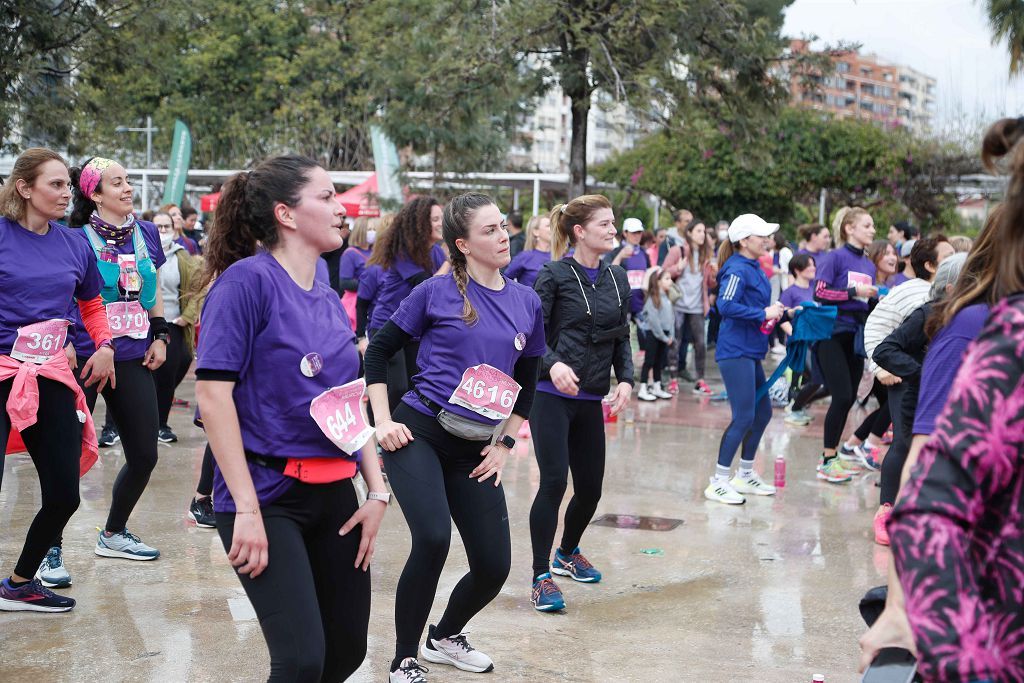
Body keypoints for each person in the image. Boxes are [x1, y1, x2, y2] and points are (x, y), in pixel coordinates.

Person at [194, 154, 387, 682]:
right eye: (325, 197)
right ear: (286, 213)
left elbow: (348, 403)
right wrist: (248, 512)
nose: (340, 207)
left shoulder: (327, 296)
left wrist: (376, 492)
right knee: (301, 661)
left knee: (344, 654)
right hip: (266, 496)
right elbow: (212, 399)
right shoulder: (245, 283)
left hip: (336, 498)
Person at [363, 193, 544, 682]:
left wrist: (504, 447)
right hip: (418, 432)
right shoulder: (434, 292)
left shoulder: (527, 302)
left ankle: (444, 635)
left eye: (503, 225)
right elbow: (377, 353)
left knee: (493, 564)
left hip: (476, 446)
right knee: (433, 538)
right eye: (489, 230)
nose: (503, 234)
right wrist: (382, 421)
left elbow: (526, 385)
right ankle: (403, 659)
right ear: (462, 244)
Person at [0, 148, 115, 609]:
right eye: (55, 185)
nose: (67, 193)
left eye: (68, 185)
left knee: (65, 492)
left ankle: (20, 582)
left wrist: (103, 345)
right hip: (2, 370)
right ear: (25, 188)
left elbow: (90, 302)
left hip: (49, 375)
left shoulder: (74, 244)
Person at [528, 194, 633, 613]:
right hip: (550, 395)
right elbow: (531, 334)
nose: (613, 229)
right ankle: (540, 576)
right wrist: (552, 365)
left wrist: (626, 379)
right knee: (554, 482)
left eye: (613, 223)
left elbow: (621, 335)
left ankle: (567, 551)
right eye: (605, 224)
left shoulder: (617, 278)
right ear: (580, 231)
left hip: (591, 396)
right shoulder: (553, 275)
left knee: (590, 489)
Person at [65, 157, 169, 561]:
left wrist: (159, 334)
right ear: (94, 195)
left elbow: (154, 285)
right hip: (86, 359)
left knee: (144, 454)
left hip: (132, 357)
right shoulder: (74, 239)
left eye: (128, 181)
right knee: (66, 459)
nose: (128, 189)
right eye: (117, 183)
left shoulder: (145, 232)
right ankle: (50, 548)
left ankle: (113, 532)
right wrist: (69, 344)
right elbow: (66, 295)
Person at [870, 251, 965, 545]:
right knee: (904, 444)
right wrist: (922, 373)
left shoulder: (967, 317)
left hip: (941, 394)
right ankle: (886, 511)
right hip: (912, 390)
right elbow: (884, 350)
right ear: (950, 288)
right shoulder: (927, 313)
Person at [703, 214, 785, 504]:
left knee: (762, 413)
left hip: (750, 349)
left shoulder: (753, 266)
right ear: (743, 241)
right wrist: (763, 313)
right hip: (735, 350)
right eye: (760, 235)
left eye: (766, 235)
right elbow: (725, 305)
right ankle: (719, 480)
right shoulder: (737, 268)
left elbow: (752, 305)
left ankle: (745, 474)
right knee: (744, 416)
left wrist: (778, 312)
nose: (766, 239)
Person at [361, 198, 449, 411]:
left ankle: (403, 431)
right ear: (419, 223)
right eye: (434, 219)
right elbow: (426, 285)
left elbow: (445, 289)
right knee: (397, 386)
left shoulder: (436, 253)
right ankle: (379, 427)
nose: (440, 223)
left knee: (413, 386)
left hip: (415, 330)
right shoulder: (403, 251)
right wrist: (450, 261)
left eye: (441, 218)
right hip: (387, 324)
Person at [812, 207, 879, 483]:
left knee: (849, 398)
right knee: (840, 396)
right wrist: (853, 292)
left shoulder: (869, 265)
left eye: (873, 226)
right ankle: (827, 460)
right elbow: (819, 291)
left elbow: (867, 301)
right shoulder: (834, 257)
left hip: (856, 335)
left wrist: (878, 299)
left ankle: (834, 456)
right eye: (867, 225)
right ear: (849, 228)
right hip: (831, 333)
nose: (873, 230)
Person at [832, 238, 902, 470]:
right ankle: (859, 445)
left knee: (890, 405)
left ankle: (852, 446)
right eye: (886, 254)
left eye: (894, 253)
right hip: (873, 354)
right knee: (892, 402)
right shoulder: (868, 286)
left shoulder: (892, 287)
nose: (893, 257)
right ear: (874, 259)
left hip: (883, 352)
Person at [152, 211, 202, 443]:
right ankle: (117, 426)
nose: (162, 232)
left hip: (173, 323)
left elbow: (198, 287)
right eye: (158, 227)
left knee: (172, 371)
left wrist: (187, 315)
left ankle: (161, 423)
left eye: (166, 227)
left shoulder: (182, 257)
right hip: (145, 324)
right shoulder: (140, 253)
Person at [673, 218, 714, 394]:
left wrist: (713, 275)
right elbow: (663, 273)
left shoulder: (706, 255)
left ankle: (700, 380)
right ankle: (673, 379)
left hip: (697, 306)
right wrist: (677, 268)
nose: (702, 234)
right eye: (698, 231)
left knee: (700, 344)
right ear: (689, 233)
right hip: (678, 304)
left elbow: (710, 284)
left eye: (704, 231)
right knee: (675, 342)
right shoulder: (678, 251)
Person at [780, 253, 817, 426]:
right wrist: (794, 335)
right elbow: (781, 319)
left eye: (813, 265)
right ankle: (793, 407)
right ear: (797, 269)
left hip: (815, 341)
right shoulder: (790, 292)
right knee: (799, 375)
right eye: (808, 265)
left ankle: (799, 407)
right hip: (799, 343)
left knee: (811, 378)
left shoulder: (815, 289)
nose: (813, 268)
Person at [606, 217, 650, 332]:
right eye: (633, 232)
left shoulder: (644, 253)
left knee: (643, 344)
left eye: (639, 232)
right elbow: (606, 274)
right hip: (621, 308)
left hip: (641, 307)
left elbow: (649, 274)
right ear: (625, 233)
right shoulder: (614, 252)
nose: (637, 236)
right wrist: (620, 256)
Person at [637, 269, 675, 401]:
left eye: (670, 278)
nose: (670, 281)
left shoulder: (667, 298)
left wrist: (671, 334)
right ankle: (643, 388)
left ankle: (657, 387)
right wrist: (664, 337)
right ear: (657, 282)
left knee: (659, 362)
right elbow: (654, 322)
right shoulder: (652, 299)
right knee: (649, 361)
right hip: (653, 334)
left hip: (664, 335)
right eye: (666, 279)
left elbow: (671, 318)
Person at [338, 216, 374, 328]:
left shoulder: (375, 252)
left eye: (374, 229)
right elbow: (344, 282)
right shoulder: (350, 253)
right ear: (361, 231)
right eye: (369, 229)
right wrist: (369, 285)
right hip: (355, 303)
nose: (373, 232)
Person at [504, 213, 551, 287]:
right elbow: (505, 279)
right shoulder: (525, 256)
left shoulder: (560, 256)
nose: (553, 228)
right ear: (536, 232)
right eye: (548, 226)